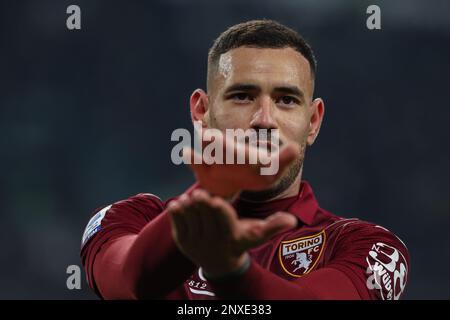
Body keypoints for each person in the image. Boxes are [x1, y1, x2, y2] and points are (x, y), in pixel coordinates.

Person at [80, 20, 409, 300]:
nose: (264, 119)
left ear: (313, 122)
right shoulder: (131, 218)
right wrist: (214, 192)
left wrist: (231, 271)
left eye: (286, 100)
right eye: (242, 96)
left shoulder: (369, 247)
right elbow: (129, 282)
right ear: (201, 112)